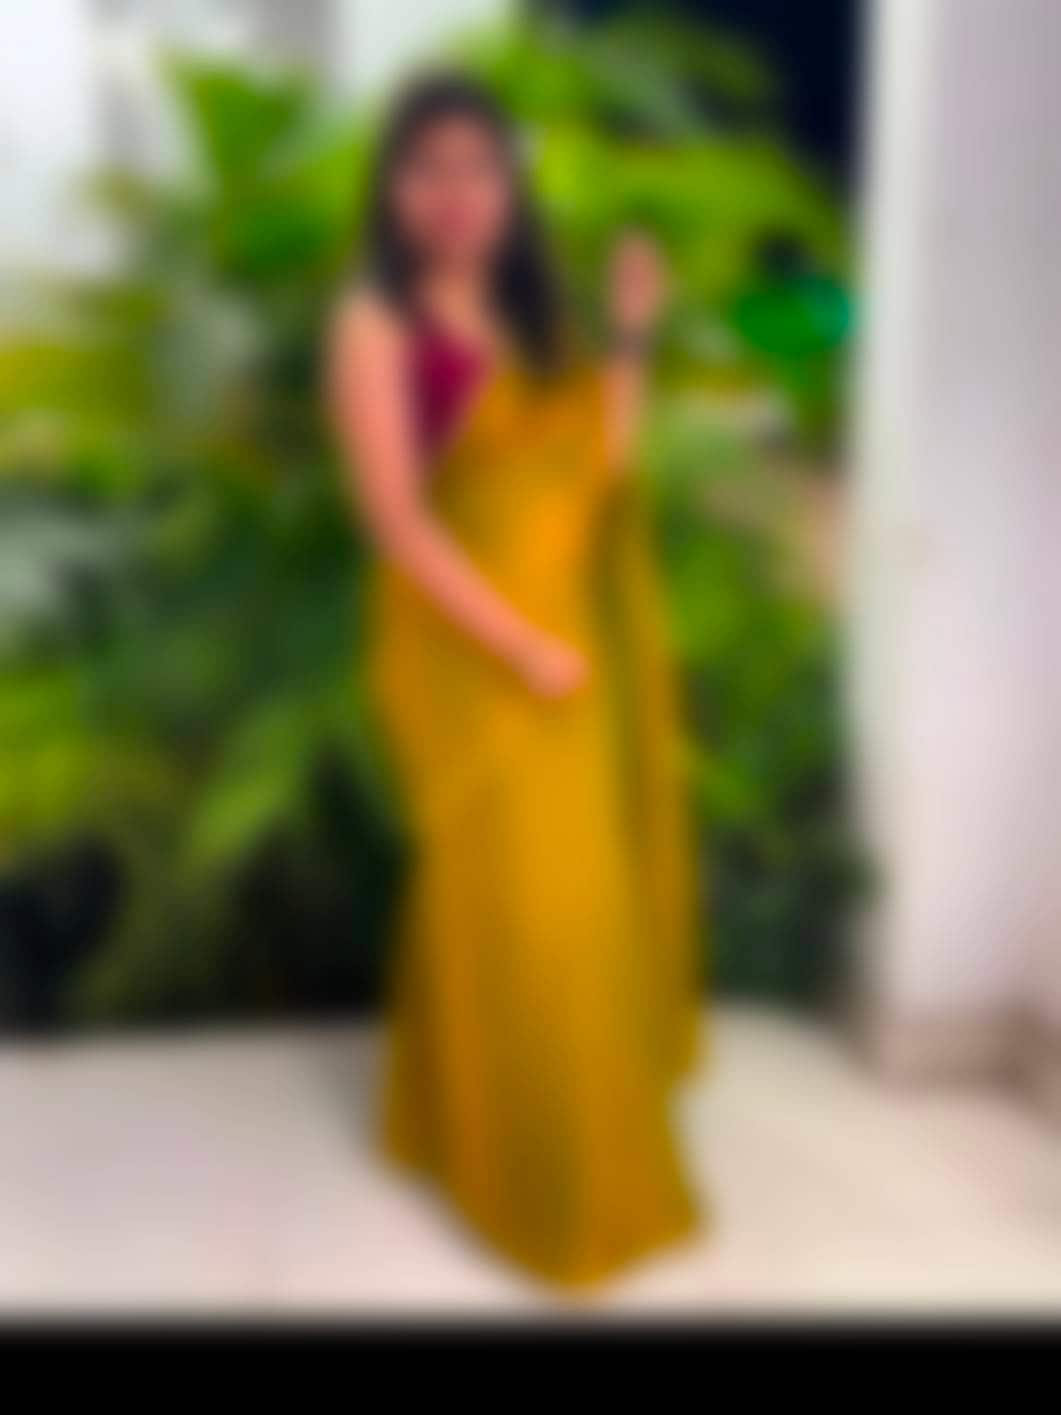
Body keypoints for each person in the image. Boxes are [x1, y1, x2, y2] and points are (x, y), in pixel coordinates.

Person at [328, 73, 702, 1288]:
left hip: (567, 647)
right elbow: (395, 523)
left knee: (562, 909)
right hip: (470, 654)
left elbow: (602, 461)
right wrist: (519, 647)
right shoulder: (376, 327)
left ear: (508, 189)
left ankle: (481, 1128)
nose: (453, 192)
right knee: (518, 912)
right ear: (393, 185)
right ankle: (537, 1183)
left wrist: (630, 331)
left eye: (477, 168)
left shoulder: (532, 319)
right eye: (426, 165)